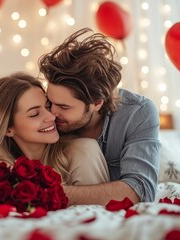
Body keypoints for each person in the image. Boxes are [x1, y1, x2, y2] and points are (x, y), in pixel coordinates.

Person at [37, 27, 161, 205]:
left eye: (64, 106)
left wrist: (47, 192)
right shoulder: (46, 116)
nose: (52, 113)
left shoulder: (138, 113)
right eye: (50, 102)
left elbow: (139, 192)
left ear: (96, 103)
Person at [0, 72, 109, 192]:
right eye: (34, 113)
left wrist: (19, 179)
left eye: (47, 106)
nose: (51, 116)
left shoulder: (83, 151)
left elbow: (95, 211)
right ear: (7, 129)